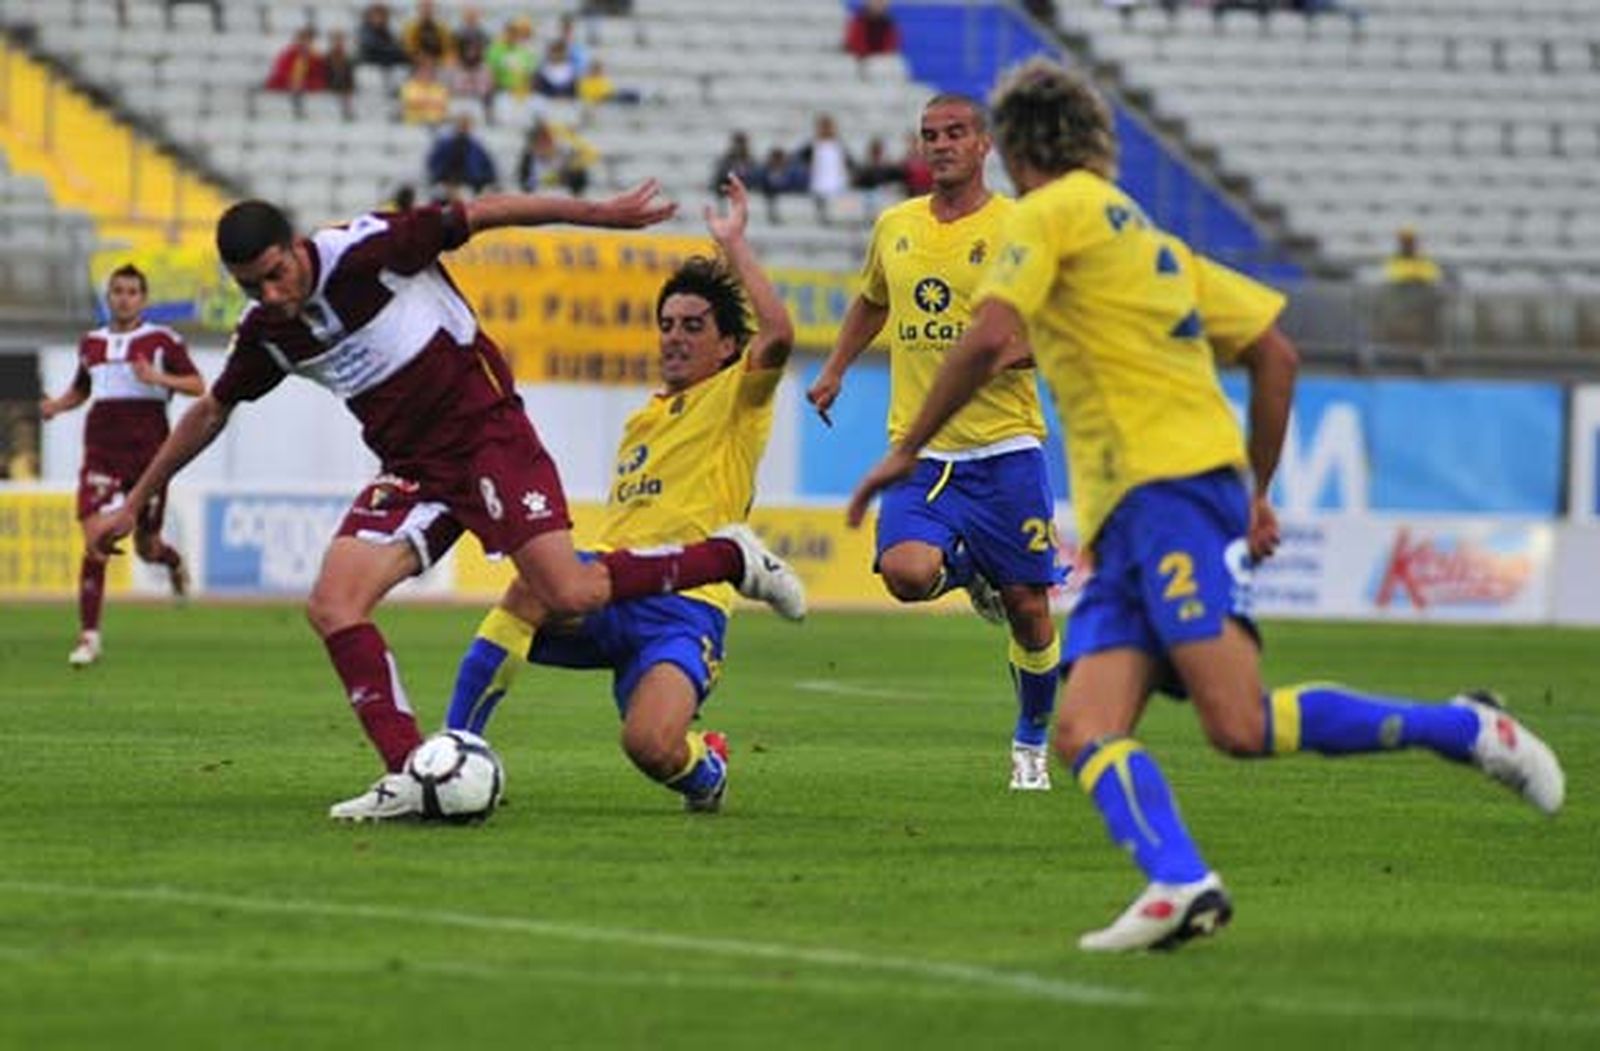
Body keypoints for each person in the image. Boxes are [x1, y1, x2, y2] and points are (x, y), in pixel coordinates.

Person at [847, 58, 1565, 952]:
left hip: (1168, 490)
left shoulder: (1046, 213)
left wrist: (905, 448)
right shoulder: (1141, 235)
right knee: (1084, 726)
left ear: (1018, 149)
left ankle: (1465, 727)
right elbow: (1275, 354)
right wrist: (1256, 490)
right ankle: (1181, 880)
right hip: (1147, 505)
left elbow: (992, 333)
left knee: (1240, 722)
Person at [86, 182, 806, 822]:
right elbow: (210, 410)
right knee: (334, 604)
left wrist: (599, 215)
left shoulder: (369, 250)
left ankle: (728, 557)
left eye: (275, 274)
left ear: (294, 246)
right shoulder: (271, 333)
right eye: (252, 287)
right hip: (413, 469)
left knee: (567, 588)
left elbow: (484, 212)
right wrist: (137, 500)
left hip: (489, 436)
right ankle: (411, 769)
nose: (271, 294)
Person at [443, 175, 793, 814]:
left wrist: (735, 245)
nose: (675, 336)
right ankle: (451, 749)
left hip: (687, 609)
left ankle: (706, 768)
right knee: (532, 586)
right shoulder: (644, 420)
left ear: (726, 345)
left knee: (651, 747)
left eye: (692, 325)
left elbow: (780, 335)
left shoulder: (739, 399)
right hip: (611, 585)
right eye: (666, 325)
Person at [809, 95, 1062, 791]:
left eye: (955, 133)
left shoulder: (1020, 225)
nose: (941, 144)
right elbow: (872, 299)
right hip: (920, 451)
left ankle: (1031, 743)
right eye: (930, 135)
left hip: (1006, 447)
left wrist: (1013, 353)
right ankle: (969, 572)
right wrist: (833, 368)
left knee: (1031, 608)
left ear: (985, 144)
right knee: (907, 573)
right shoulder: (895, 225)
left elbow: (1061, 321)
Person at [41, 264, 203, 668]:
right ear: (108, 297)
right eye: (117, 291)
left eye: (132, 291)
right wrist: (58, 405)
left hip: (149, 456)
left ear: (144, 299)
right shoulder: (91, 343)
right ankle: (89, 637)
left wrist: (156, 376)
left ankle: (173, 562)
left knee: (146, 549)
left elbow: (199, 386)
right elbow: (83, 389)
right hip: (101, 452)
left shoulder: (162, 339)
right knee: (95, 538)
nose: (124, 298)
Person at [516, 120, 595, 197]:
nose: (543, 145)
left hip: (564, 198)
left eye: (546, 140)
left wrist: (565, 176)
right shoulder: (528, 158)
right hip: (538, 197)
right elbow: (524, 183)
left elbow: (580, 183)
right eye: (539, 142)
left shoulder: (568, 154)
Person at [426, 114, 498, 197]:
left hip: (471, 183)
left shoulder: (477, 147)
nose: (464, 128)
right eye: (462, 125)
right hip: (449, 182)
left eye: (466, 125)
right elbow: (434, 164)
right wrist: (441, 179)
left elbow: (488, 167)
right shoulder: (444, 144)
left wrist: (487, 181)